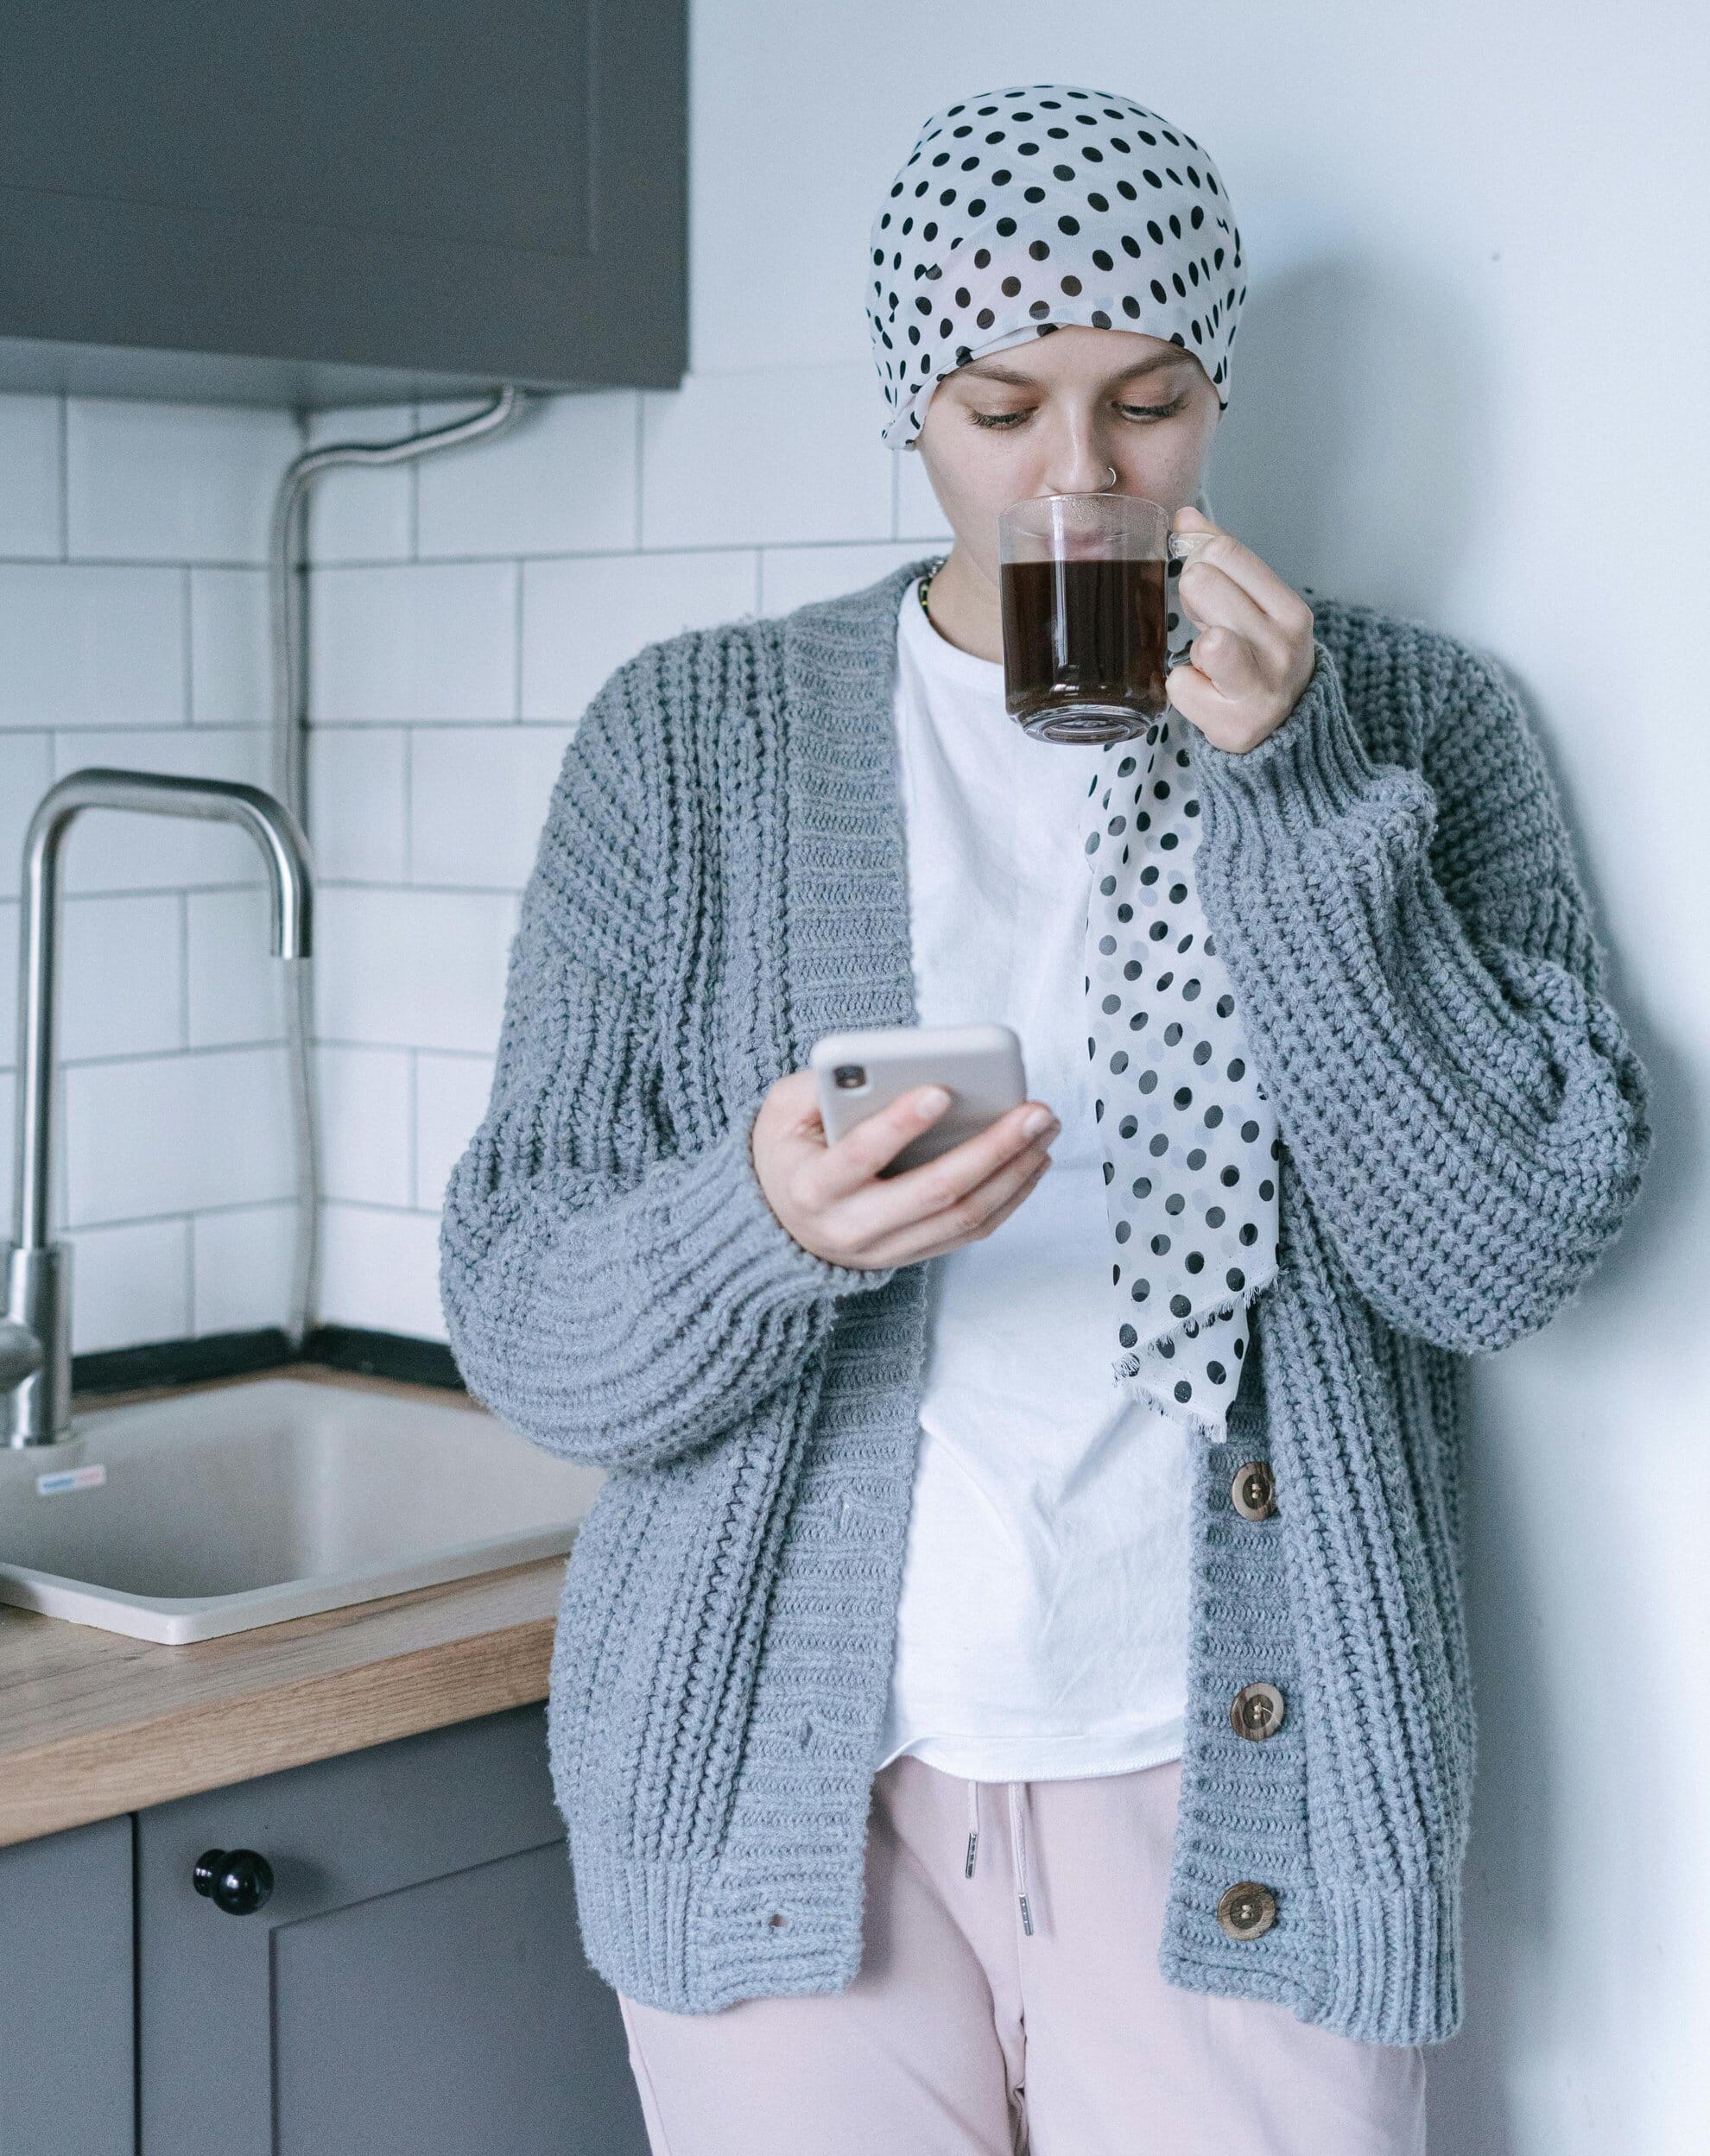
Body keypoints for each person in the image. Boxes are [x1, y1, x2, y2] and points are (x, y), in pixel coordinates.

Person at [439, 81, 1650, 2156]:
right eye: (1002, 406)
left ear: (1218, 393)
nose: (1075, 478)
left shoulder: (1418, 726)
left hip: (1244, 1787)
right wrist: (768, 1224)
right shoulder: (686, 743)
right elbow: (527, 1317)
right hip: (783, 1794)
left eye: (1148, 403)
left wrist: (1295, 802)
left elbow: (1514, 1240)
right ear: (914, 399)